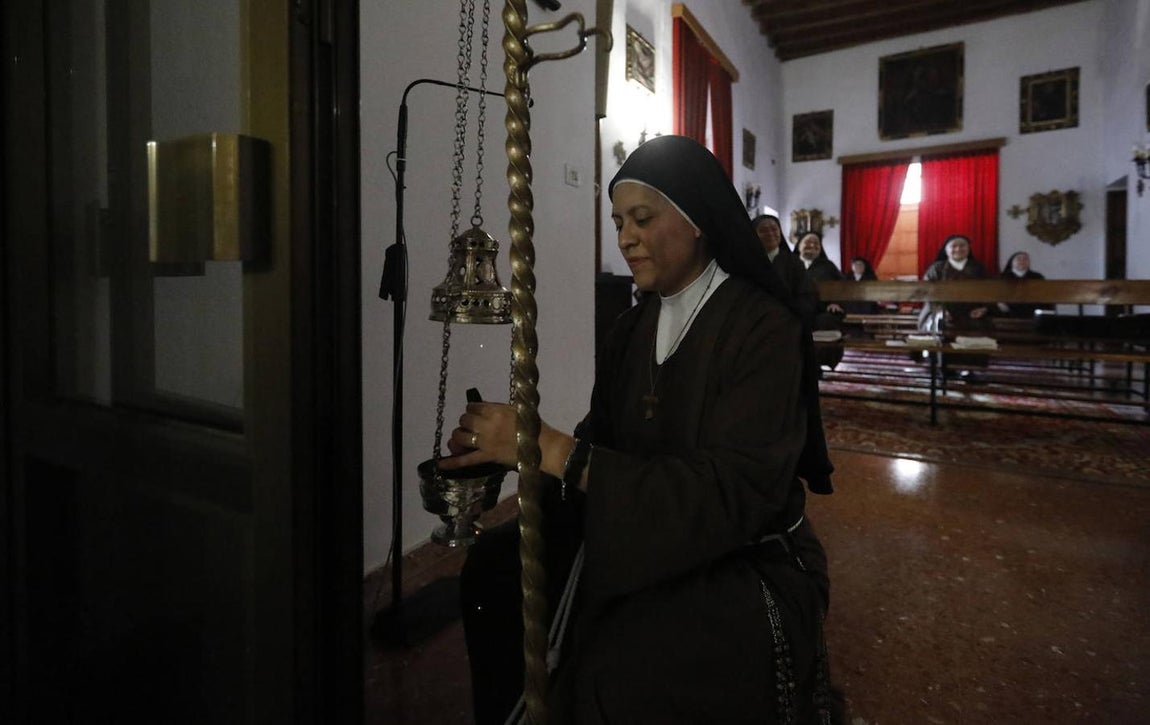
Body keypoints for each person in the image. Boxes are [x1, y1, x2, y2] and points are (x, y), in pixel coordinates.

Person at [447, 135, 838, 724]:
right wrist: (508, 450)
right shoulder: (631, 329)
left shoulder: (764, 328)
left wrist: (548, 447)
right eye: (618, 221)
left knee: (631, 659)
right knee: (496, 570)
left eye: (642, 218)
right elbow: (596, 441)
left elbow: (732, 495)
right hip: (635, 529)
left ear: (698, 220)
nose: (625, 236)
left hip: (741, 557)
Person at [917, 234, 991, 333]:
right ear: (946, 250)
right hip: (939, 311)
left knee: (981, 332)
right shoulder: (936, 268)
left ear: (968, 249)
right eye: (954, 246)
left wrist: (983, 309)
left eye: (962, 246)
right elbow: (926, 291)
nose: (958, 249)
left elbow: (990, 291)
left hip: (973, 313)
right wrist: (939, 309)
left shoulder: (979, 268)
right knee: (936, 328)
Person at [997, 251, 1052, 319]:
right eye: (1019, 259)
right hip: (1008, 312)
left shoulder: (1037, 277)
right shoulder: (1002, 277)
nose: (1022, 261)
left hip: (1032, 311)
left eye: (1025, 259)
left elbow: (1045, 294)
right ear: (1012, 262)